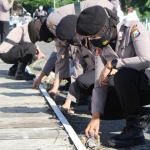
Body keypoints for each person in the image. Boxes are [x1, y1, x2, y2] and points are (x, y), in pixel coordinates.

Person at [76, 5, 150, 148]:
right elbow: (99, 84)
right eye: (90, 37)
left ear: (107, 26)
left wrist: (114, 63)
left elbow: (147, 59)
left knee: (123, 75)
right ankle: (143, 114)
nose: (93, 40)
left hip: (147, 82)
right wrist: (95, 118)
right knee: (98, 107)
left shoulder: (133, 28)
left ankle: (133, 130)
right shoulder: (101, 46)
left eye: (95, 35)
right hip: (132, 88)